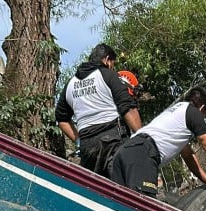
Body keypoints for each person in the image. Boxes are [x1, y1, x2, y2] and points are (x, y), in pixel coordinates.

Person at [110, 87, 206, 196]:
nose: (204, 117)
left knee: (122, 208)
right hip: (141, 155)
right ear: (202, 108)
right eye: (205, 113)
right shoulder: (193, 112)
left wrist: (204, 177)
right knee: (143, 210)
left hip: (124, 152)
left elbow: (187, 154)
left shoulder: (176, 113)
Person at [54, 43, 142, 176]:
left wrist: (78, 140)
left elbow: (61, 119)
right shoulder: (108, 76)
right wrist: (142, 137)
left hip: (87, 148)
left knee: (98, 190)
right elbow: (128, 109)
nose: (113, 67)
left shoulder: (70, 85)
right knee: (124, 186)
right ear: (107, 59)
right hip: (113, 141)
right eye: (113, 63)